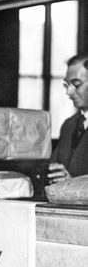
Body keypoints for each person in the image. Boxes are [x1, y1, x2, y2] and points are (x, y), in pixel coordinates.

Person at [48, 52, 88, 184]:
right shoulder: (68, 126)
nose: (69, 92)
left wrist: (73, 185)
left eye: (76, 84)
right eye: (66, 85)